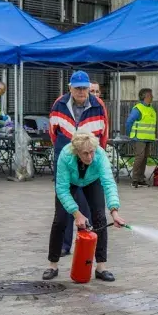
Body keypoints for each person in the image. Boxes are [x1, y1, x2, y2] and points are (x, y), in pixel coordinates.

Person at [44, 132, 126, 281]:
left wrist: (114, 212)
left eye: (91, 152)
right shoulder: (66, 155)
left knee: (100, 217)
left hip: (92, 181)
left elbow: (108, 183)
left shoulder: (100, 155)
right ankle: (52, 265)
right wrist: (77, 213)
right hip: (70, 183)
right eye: (85, 153)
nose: (89, 157)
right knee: (60, 219)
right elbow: (61, 189)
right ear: (76, 152)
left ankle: (101, 267)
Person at [49, 71, 108, 256]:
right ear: (70, 88)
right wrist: (65, 152)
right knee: (64, 205)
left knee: (91, 206)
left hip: (90, 159)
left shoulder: (98, 105)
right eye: (78, 88)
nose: (82, 92)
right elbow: (53, 131)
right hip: (66, 157)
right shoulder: (59, 104)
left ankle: (88, 242)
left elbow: (103, 132)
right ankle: (64, 245)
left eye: (85, 88)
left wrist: (96, 154)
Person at [126, 88, 156, 188]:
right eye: (151, 95)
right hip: (139, 138)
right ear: (145, 96)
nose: (152, 97)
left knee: (144, 158)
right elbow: (129, 121)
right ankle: (135, 179)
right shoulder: (138, 109)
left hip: (147, 138)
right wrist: (129, 134)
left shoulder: (151, 109)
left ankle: (141, 179)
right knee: (140, 157)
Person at [89, 81, 110, 149]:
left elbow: (105, 126)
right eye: (92, 91)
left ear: (100, 93)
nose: (95, 94)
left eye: (97, 91)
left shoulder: (101, 106)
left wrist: (103, 146)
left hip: (97, 144)